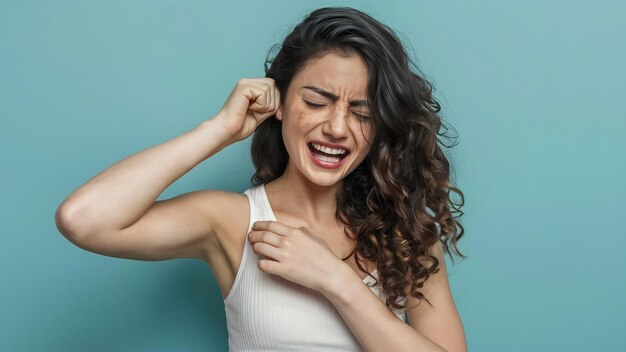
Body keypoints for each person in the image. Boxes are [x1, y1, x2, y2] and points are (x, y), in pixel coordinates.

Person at [55, 6, 467, 352]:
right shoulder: (232, 221)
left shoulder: (405, 233)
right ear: (281, 104)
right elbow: (83, 219)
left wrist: (336, 280)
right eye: (316, 102)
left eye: (362, 113)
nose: (338, 128)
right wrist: (220, 129)